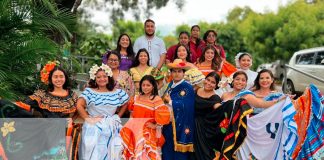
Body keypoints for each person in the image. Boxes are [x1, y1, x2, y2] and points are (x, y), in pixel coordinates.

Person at [0, 61, 79, 160]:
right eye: (55, 77)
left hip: (67, 131)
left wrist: (71, 120)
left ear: (65, 78)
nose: (59, 79)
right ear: (50, 79)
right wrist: (4, 103)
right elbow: (23, 105)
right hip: (46, 131)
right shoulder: (42, 95)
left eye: (61, 76)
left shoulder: (72, 95)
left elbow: (78, 112)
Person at [77, 63, 129, 159]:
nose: (102, 79)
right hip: (94, 127)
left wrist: (118, 116)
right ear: (94, 79)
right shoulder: (89, 91)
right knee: (94, 154)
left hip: (112, 125)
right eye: (98, 77)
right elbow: (79, 105)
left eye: (104, 76)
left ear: (108, 77)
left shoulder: (116, 92)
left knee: (113, 152)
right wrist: (88, 119)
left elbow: (125, 102)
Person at [120, 75, 171, 159]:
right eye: (143, 85)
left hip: (147, 132)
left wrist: (155, 126)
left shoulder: (156, 99)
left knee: (144, 155)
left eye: (148, 85)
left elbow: (163, 116)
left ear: (153, 86)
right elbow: (132, 114)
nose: (145, 87)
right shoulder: (136, 98)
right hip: (134, 130)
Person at [161, 60, 195, 160]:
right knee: (167, 149)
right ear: (171, 73)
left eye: (179, 71)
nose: (176, 74)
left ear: (183, 73)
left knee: (178, 154)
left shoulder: (187, 87)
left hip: (180, 124)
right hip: (168, 123)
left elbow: (188, 106)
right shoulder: (170, 85)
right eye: (174, 71)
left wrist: (170, 102)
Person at [194, 72, 223, 160]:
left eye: (213, 82)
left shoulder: (215, 98)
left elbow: (219, 110)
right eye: (208, 80)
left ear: (216, 85)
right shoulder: (196, 90)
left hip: (204, 130)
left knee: (203, 154)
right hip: (190, 125)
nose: (209, 83)